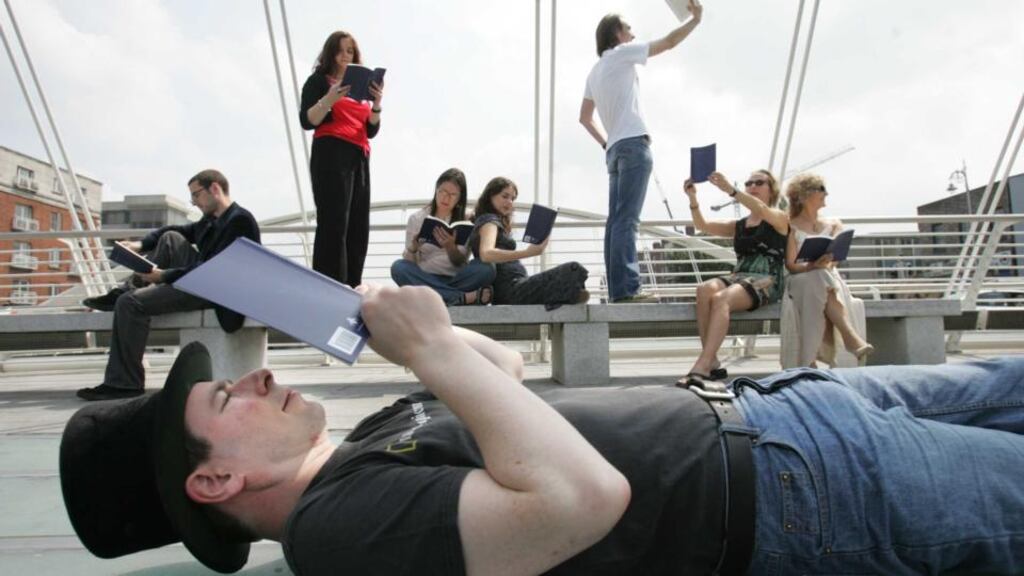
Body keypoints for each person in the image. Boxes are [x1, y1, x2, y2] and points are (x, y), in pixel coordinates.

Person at [61, 285, 1024, 575]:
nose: (255, 376)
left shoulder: (356, 455)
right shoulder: (337, 535)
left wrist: (407, 331)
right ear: (215, 484)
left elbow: (507, 380)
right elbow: (579, 498)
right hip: (807, 492)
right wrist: (430, 352)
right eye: (222, 401)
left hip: (793, 414)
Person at [76, 169, 260, 402]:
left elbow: (216, 272)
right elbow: (174, 232)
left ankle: (124, 384)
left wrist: (163, 276)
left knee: (129, 303)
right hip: (203, 282)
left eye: (196, 195)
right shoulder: (210, 221)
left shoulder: (240, 221)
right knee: (171, 238)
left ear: (215, 188)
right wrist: (140, 244)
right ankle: (126, 289)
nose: (194, 202)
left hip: (221, 292)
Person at [579, 0, 703, 303]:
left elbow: (584, 118)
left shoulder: (594, 71)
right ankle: (627, 290)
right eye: (629, 28)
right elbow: (669, 43)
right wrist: (694, 20)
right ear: (617, 33)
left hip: (616, 150)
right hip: (634, 144)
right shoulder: (623, 54)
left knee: (615, 220)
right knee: (627, 220)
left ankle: (617, 289)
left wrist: (606, 143)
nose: (633, 34)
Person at [681, 169, 789, 387]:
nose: (752, 186)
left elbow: (760, 209)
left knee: (722, 298)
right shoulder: (739, 225)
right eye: (749, 183)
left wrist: (730, 190)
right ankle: (710, 360)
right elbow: (702, 226)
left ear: (772, 190)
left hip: (767, 279)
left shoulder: (779, 218)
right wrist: (693, 198)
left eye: (759, 183)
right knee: (704, 289)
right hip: (739, 276)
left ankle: (702, 365)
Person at [299, 30, 384, 286]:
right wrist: (330, 98)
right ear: (330, 54)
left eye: (350, 51)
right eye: (340, 50)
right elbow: (307, 120)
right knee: (334, 222)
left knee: (358, 227)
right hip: (331, 153)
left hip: (359, 156)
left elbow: (371, 129)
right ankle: (329, 284)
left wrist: (377, 103)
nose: (345, 56)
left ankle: (352, 285)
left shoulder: (361, 92)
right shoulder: (318, 82)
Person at [781, 173, 873, 368]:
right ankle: (851, 338)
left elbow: (836, 258)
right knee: (817, 279)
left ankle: (809, 361)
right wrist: (814, 265)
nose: (826, 193)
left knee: (821, 278)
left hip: (828, 276)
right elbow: (791, 265)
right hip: (800, 277)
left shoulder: (834, 224)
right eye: (821, 189)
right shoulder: (790, 225)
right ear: (804, 195)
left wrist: (826, 263)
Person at [469, 177, 589, 307]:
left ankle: (566, 295)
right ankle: (566, 295)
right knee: (573, 269)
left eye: (512, 199)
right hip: (511, 291)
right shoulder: (489, 220)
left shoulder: (489, 221)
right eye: (505, 196)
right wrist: (528, 252)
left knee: (571, 276)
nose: (509, 202)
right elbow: (487, 254)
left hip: (515, 287)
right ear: (490, 196)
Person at [390, 168, 496, 305]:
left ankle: (440, 296)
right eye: (442, 192)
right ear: (436, 190)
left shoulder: (467, 220)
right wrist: (413, 248)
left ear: (459, 198)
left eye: (453, 195)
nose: (446, 198)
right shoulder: (417, 218)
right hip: (425, 277)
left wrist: (450, 247)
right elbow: (410, 263)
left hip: (458, 278)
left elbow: (460, 261)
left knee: (486, 267)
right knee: (399, 267)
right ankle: (460, 297)